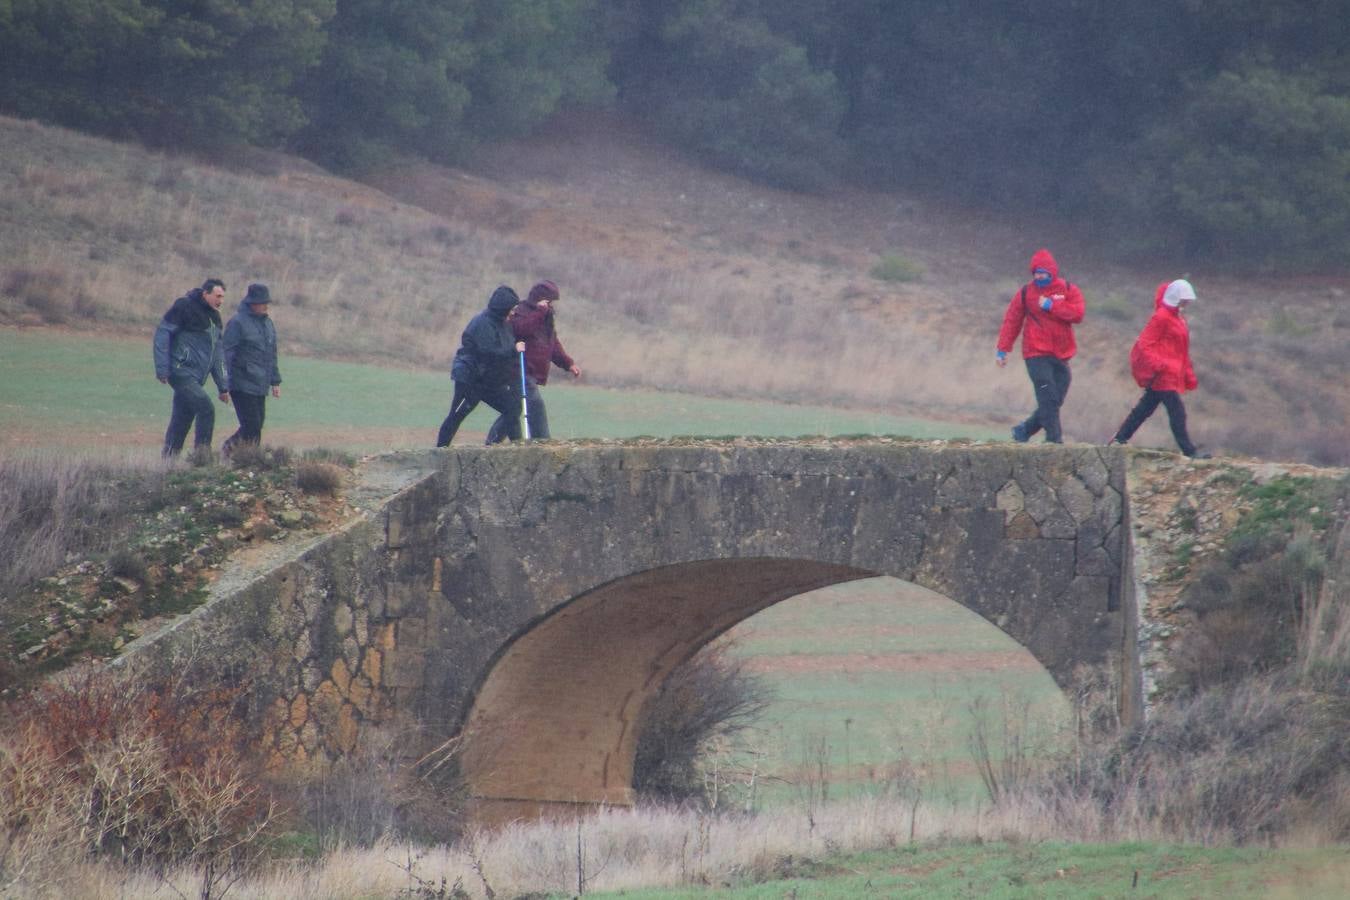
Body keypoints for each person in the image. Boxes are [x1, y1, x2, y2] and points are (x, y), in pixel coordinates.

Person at [1110, 279, 1210, 458]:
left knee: (1144, 409)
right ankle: (1189, 451)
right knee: (1177, 411)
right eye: (1185, 299)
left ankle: (1119, 439)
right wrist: (1160, 365)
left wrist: (1188, 374)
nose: (1187, 302)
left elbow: (1181, 351)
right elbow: (1144, 344)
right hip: (1164, 376)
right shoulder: (1162, 317)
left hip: (1169, 374)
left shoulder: (1179, 319)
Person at [996, 248, 1086, 444]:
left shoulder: (1068, 289)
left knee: (1055, 399)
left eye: (1043, 273)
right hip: (1035, 353)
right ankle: (1054, 440)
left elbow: (1078, 314)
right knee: (1048, 396)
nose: (1039, 277)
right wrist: (1003, 349)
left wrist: (1052, 306)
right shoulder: (1026, 293)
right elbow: (1012, 320)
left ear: (1052, 272)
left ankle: (1024, 430)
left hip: (1062, 355)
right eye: (1036, 273)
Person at [485, 280, 581, 443]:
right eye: (549, 301)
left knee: (514, 410)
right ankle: (543, 442)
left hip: (531, 372)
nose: (551, 305)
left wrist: (568, 363)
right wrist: (540, 312)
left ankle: (492, 441)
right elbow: (520, 329)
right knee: (534, 406)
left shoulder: (546, 316)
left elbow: (552, 343)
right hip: (518, 370)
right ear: (541, 298)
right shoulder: (521, 311)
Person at [436, 285, 526, 447]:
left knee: (512, 408)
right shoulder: (481, 323)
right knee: (457, 414)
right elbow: (490, 351)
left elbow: (503, 353)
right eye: (512, 309)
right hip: (470, 379)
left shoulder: (504, 324)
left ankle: (515, 448)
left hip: (490, 381)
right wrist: (514, 349)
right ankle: (440, 451)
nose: (514, 313)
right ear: (503, 308)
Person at [153, 278, 231, 458]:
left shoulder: (215, 317)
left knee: (181, 420)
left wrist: (223, 386)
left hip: (196, 378)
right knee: (206, 408)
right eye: (218, 296)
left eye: (223, 297)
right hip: (181, 372)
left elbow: (218, 353)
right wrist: (162, 368)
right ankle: (201, 459)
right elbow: (163, 334)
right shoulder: (184, 306)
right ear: (206, 293)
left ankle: (168, 463)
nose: (221, 301)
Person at [221, 283, 282, 454]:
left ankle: (246, 460)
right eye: (262, 302)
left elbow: (272, 354)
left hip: (260, 384)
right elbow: (226, 353)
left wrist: (275, 381)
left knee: (256, 426)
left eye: (266, 302)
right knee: (251, 426)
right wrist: (223, 383)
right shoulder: (237, 323)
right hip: (241, 384)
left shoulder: (268, 324)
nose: (266, 305)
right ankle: (229, 451)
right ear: (252, 303)